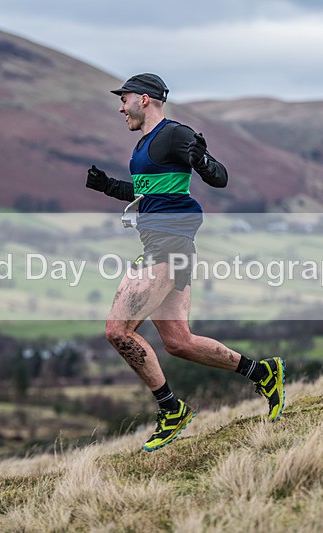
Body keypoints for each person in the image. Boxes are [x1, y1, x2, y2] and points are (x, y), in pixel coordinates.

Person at [85, 73, 285, 452]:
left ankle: (171, 409)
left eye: (123, 99)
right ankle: (263, 373)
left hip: (168, 246)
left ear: (144, 99)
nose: (119, 107)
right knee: (179, 342)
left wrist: (203, 161)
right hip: (166, 244)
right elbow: (147, 193)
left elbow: (219, 177)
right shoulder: (144, 145)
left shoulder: (175, 134)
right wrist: (107, 186)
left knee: (117, 331)